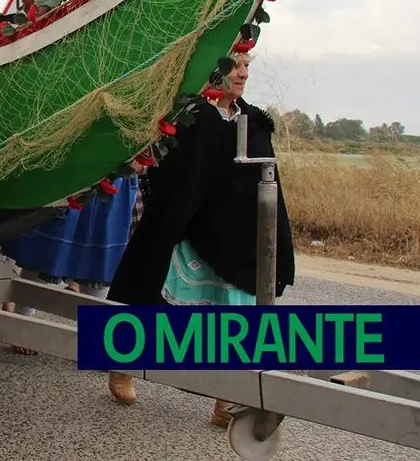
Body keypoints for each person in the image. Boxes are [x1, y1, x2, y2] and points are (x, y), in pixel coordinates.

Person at [105, 53, 295, 424]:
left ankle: (227, 399)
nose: (242, 74)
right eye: (236, 65)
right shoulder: (191, 115)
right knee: (151, 293)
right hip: (186, 231)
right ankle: (123, 364)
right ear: (217, 68)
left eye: (247, 67)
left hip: (233, 237)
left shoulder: (253, 121)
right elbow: (175, 177)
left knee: (233, 315)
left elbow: (263, 185)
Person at [0, 174, 138, 354]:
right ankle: (23, 322)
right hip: (77, 168)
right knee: (48, 246)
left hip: (117, 174)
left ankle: (94, 337)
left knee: (102, 255)